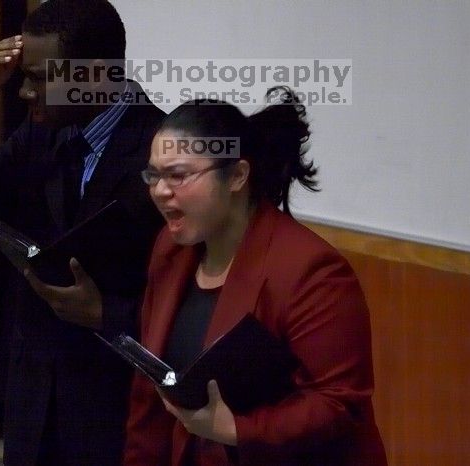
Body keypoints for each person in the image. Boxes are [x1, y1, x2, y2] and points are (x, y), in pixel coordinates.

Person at [0, 0, 164, 464]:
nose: (24, 94)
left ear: (94, 76)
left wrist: (106, 313)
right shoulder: (39, 136)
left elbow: (188, 297)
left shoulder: (161, 150)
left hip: (115, 404)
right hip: (35, 402)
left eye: (38, 78)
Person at [123, 87, 388, 466]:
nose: (161, 191)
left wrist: (237, 429)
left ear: (236, 176)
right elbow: (151, 392)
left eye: (178, 176)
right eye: (153, 175)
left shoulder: (312, 271)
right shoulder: (170, 249)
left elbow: (339, 402)